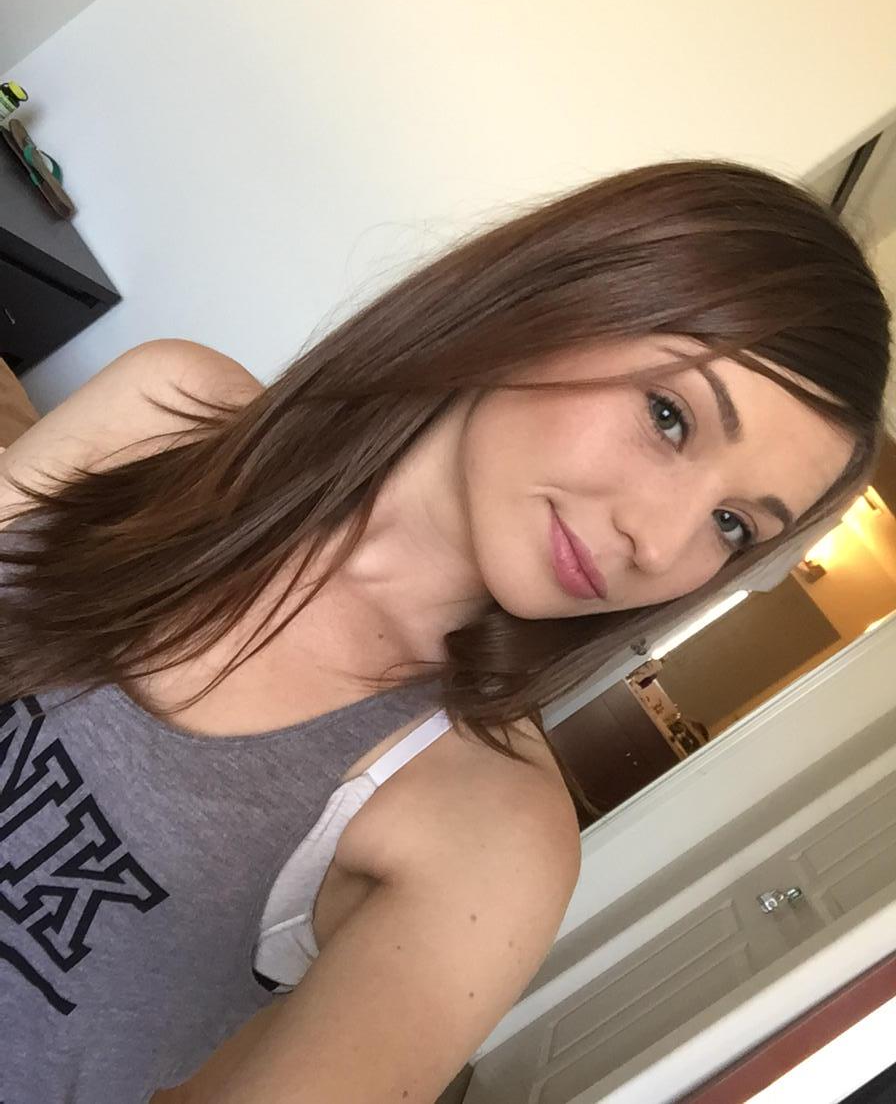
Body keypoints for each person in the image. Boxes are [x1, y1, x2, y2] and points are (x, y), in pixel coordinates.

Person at [0, 159, 888, 1104]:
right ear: (552, 300)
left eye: (732, 526)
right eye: (670, 417)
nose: (660, 542)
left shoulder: (488, 828)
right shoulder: (162, 408)